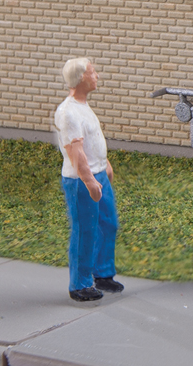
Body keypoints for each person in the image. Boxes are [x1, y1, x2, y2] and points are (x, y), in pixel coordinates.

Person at [54, 57, 122, 301]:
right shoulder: (68, 112)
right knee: (85, 231)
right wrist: (90, 181)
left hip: (99, 173)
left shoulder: (83, 106)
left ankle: (102, 274)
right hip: (82, 181)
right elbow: (75, 152)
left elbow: (93, 142)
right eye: (93, 72)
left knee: (108, 224)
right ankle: (80, 285)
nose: (97, 76)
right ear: (81, 77)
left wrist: (105, 165)